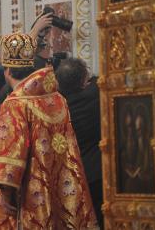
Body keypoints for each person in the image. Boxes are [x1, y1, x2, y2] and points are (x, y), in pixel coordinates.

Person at [0, 33, 98, 229]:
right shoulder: (58, 99)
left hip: (33, 187)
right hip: (65, 183)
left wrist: (4, 192)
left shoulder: (14, 104)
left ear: (7, 71)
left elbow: (10, 154)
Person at [55, 57, 104, 229]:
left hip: (73, 175)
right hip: (98, 172)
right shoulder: (96, 95)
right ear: (84, 80)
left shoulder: (58, 106)